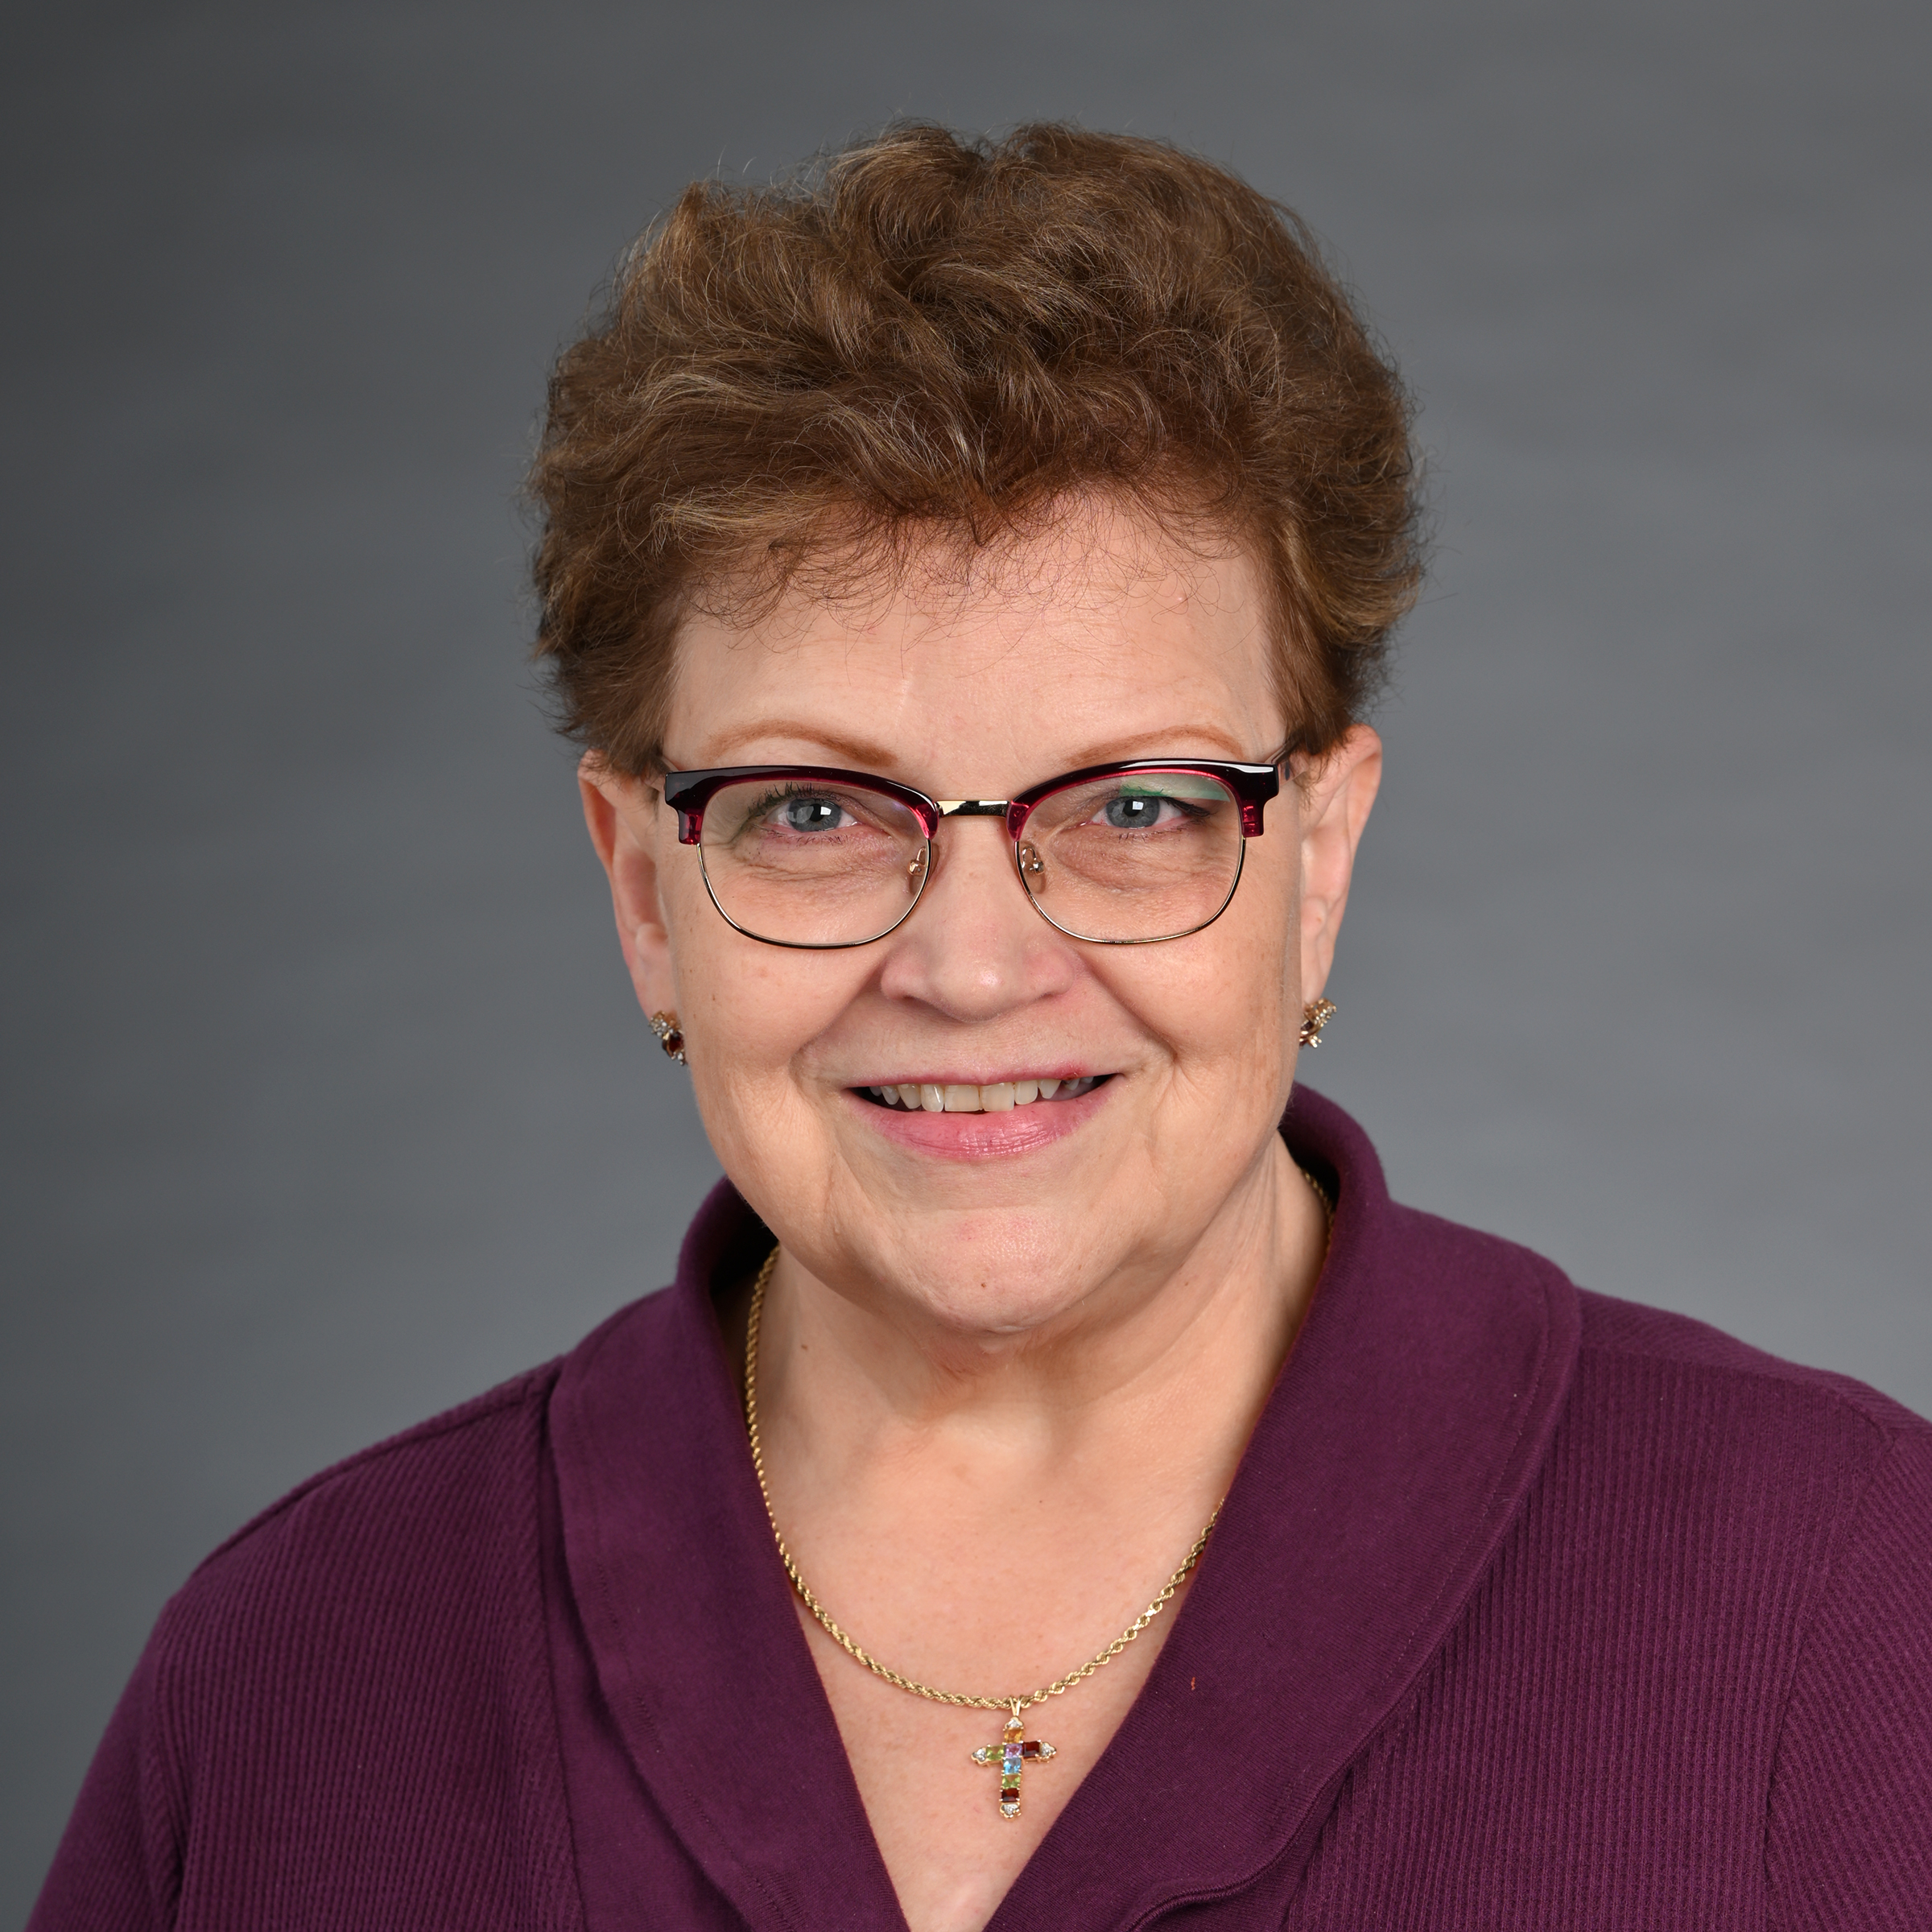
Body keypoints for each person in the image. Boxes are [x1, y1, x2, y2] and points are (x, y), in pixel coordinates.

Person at [30, 124, 1932, 1932]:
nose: (968, 963)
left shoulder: (1843, 1602)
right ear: (641, 893)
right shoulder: (292, 1681)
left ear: (1320, 858)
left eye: (1126, 808)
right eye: (812, 812)